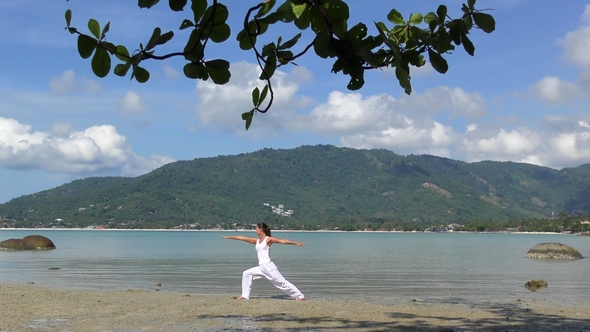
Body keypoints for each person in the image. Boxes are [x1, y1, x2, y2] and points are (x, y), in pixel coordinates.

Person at [221, 222, 306, 301]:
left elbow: (282, 241)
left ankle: (300, 296)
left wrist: (296, 243)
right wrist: (230, 237)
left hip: (268, 266)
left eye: (256, 229)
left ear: (261, 229)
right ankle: (245, 295)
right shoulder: (257, 241)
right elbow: (243, 238)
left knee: (281, 282)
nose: (255, 231)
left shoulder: (268, 239)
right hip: (261, 267)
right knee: (247, 273)